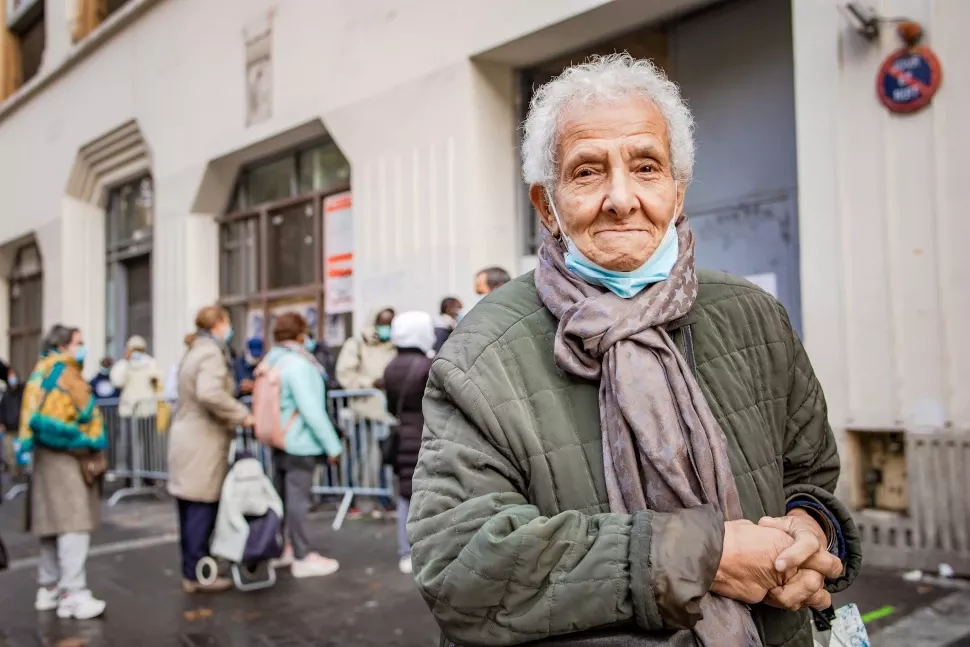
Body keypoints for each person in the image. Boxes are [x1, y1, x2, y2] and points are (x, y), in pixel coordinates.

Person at [409, 55, 860, 647]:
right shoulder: (482, 352)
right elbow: (461, 564)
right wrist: (703, 558)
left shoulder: (753, 316)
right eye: (588, 172)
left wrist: (809, 532)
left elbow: (809, 474)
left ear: (677, 191)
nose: (621, 198)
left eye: (646, 166)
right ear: (547, 206)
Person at [19, 325, 107, 619]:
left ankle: (49, 587)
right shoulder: (64, 373)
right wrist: (89, 442)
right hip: (66, 460)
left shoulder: (41, 371)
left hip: (45, 460)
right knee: (73, 524)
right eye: (79, 343)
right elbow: (66, 422)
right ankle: (73, 591)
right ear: (64, 345)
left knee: (51, 524)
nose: (83, 348)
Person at [167, 306, 254, 593]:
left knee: (189, 507)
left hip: (188, 437)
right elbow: (209, 392)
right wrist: (242, 414)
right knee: (201, 507)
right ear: (219, 323)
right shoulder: (210, 353)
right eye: (227, 321)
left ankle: (192, 569)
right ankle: (198, 573)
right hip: (202, 440)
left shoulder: (195, 350)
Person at [261, 312, 343, 578]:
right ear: (300, 334)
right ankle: (302, 555)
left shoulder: (272, 362)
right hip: (300, 442)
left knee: (283, 498)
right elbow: (312, 410)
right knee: (298, 500)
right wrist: (333, 446)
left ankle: (284, 548)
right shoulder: (299, 365)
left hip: (278, 438)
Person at [382, 311, 435, 575]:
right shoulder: (429, 365)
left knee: (405, 494)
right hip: (427, 433)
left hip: (403, 434)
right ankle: (427, 548)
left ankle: (406, 551)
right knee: (432, 492)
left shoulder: (390, 367)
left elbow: (391, 406)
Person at [335, 308, 397, 423]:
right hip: (364, 415)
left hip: (391, 415)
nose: (387, 328)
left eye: (390, 324)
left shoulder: (396, 346)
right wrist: (371, 383)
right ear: (374, 323)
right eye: (383, 323)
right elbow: (345, 375)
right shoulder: (356, 344)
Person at [0, 368, 24, 478]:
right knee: (9, 454)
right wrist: (2, 423)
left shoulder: (21, 393)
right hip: (9, 430)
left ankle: (20, 474)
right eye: (10, 376)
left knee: (20, 454)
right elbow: (2, 409)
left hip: (19, 429)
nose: (12, 379)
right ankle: (14, 475)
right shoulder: (6, 394)